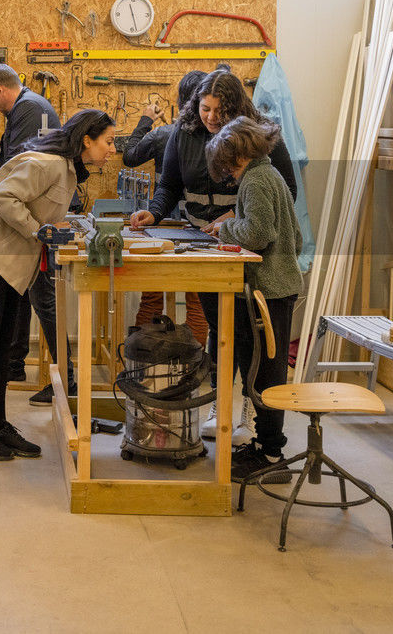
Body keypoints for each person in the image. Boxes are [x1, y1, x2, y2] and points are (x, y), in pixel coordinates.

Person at [129, 68, 297, 445]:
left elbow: (283, 193)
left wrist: (234, 219)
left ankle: (251, 421)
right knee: (221, 336)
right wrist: (154, 213)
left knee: (254, 343)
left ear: (238, 112)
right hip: (202, 243)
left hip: (249, 252)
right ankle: (221, 410)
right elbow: (169, 185)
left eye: (221, 113)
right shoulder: (182, 133)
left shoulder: (258, 140)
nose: (210, 118)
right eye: (205, 108)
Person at [0, 110, 116, 461]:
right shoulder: (50, 165)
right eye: (109, 141)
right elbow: (3, 197)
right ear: (87, 140)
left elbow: (40, 208)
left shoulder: (66, 170)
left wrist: (60, 226)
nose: (112, 149)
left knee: (3, 344)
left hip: (8, 259)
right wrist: (37, 230)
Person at [0, 63, 71, 403]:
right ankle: (14, 362)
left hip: (34, 221)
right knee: (21, 292)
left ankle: (66, 379)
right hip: (31, 219)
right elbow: (13, 166)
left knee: (43, 300)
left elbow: (13, 171)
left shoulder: (28, 108)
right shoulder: (29, 107)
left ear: (1, 90)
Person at [203, 115, 302, 482]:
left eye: (226, 167)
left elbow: (259, 233)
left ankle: (272, 454)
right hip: (278, 287)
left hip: (269, 292)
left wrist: (225, 227)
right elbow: (293, 235)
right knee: (263, 369)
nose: (227, 173)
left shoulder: (256, 181)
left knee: (265, 372)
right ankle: (265, 445)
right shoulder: (270, 174)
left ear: (234, 157)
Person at [121, 70, 206, 339]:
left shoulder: (163, 135)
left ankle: (143, 363)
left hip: (162, 223)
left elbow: (130, 157)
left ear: (179, 102)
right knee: (197, 301)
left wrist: (146, 120)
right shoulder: (213, 137)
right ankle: (194, 366)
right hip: (198, 228)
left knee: (152, 296)